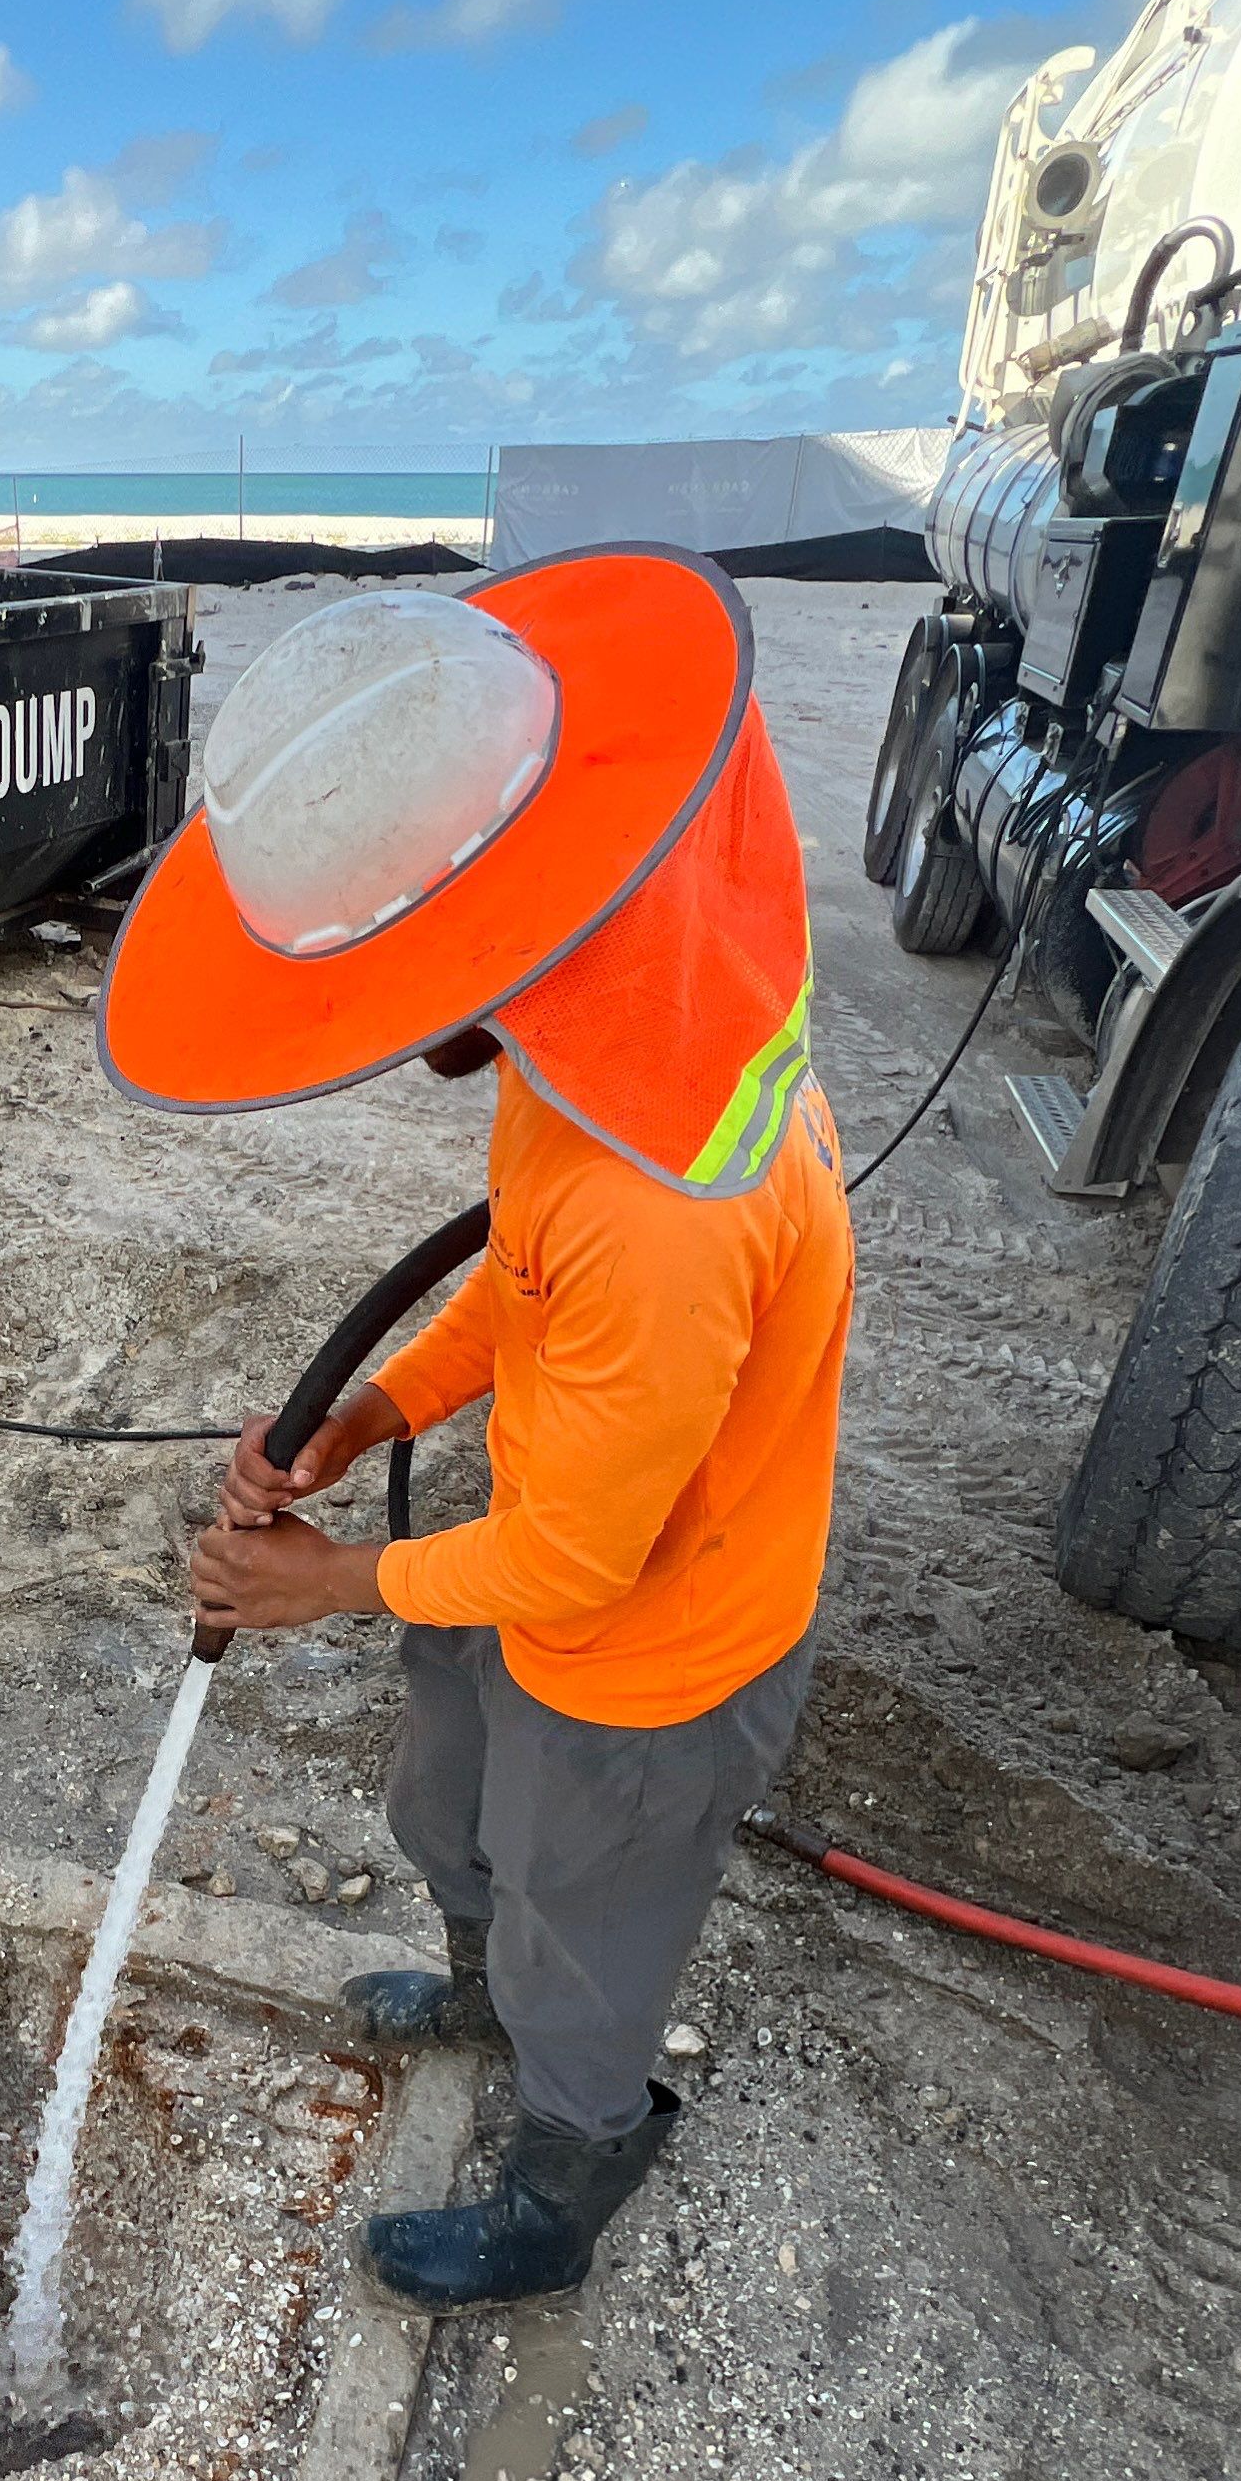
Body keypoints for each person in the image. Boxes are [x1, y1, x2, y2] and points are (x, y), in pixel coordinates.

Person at [97, 553, 853, 2307]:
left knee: (585, 1918)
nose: (393, 1014)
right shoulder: (601, 1026)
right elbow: (521, 1291)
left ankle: (574, 2161)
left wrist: (320, 1584)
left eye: (401, 964)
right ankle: (475, 1974)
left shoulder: (660, 1205)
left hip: (654, 1649)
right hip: (538, 1567)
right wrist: (375, 1409)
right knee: (462, 1808)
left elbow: (585, 1559)